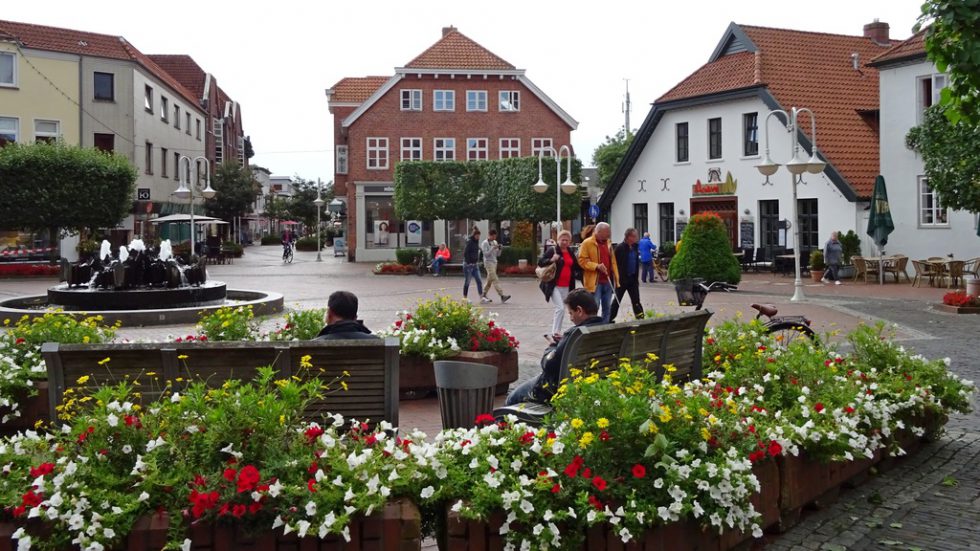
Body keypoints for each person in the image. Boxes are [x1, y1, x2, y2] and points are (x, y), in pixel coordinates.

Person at [505, 289, 605, 405]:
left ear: (579, 310)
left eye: (571, 313)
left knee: (511, 399)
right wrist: (564, 342)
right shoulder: (604, 330)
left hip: (556, 389)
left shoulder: (575, 334)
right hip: (590, 383)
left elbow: (548, 365)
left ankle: (501, 422)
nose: (571, 318)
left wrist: (552, 345)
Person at [538, 230, 580, 336]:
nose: (564, 242)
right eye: (562, 239)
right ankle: (555, 332)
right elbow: (541, 262)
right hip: (554, 285)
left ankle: (557, 331)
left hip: (567, 285)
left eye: (567, 240)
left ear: (570, 241)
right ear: (558, 240)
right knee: (560, 308)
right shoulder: (553, 250)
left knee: (562, 309)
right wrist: (552, 259)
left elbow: (576, 266)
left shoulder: (570, 251)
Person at [578, 222, 619, 323]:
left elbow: (612, 261)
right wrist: (596, 266)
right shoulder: (587, 243)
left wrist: (616, 277)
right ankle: (593, 328)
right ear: (599, 232)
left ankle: (604, 329)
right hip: (595, 282)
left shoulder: (608, 243)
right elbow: (582, 261)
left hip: (608, 281)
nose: (609, 234)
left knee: (607, 308)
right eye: (607, 232)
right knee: (593, 308)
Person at [610, 228, 645, 321]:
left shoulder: (635, 247)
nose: (636, 238)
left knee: (636, 300)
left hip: (632, 279)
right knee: (617, 300)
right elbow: (613, 263)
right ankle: (609, 318)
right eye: (634, 236)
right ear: (628, 237)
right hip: (622, 280)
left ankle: (641, 318)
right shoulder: (620, 248)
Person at [314, 291, 378, 340]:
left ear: (329, 314)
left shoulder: (315, 345)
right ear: (355, 317)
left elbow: (307, 357)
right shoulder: (376, 341)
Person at [481, 229, 511, 304]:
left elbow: (498, 255)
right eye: (493, 236)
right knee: (495, 279)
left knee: (489, 280)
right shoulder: (484, 243)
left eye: (495, 236)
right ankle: (502, 295)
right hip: (488, 263)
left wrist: (500, 249)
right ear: (490, 235)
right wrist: (492, 248)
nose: (494, 238)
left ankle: (483, 294)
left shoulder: (495, 242)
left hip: (494, 263)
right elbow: (486, 254)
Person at [462, 226, 485, 302]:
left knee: (479, 280)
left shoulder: (476, 241)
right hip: (468, 265)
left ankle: (481, 297)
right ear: (474, 235)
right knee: (467, 281)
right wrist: (468, 263)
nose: (478, 237)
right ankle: (465, 297)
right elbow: (466, 253)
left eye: (479, 236)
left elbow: (476, 231)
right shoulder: (470, 242)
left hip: (475, 265)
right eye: (477, 236)